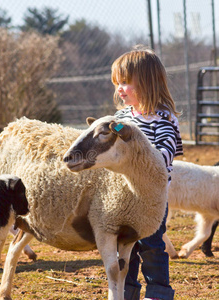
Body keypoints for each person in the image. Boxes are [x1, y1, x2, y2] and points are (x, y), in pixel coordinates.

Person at [111, 45, 183, 300]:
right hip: (125, 198)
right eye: (117, 82)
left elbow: (163, 157)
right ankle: (125, 292)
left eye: (126, 82)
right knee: (123, 248)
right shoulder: (120, 118)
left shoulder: (162, 120)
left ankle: (158, 292)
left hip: (152, 199)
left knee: (152, 247)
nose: (119, 88)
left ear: (147, 83)